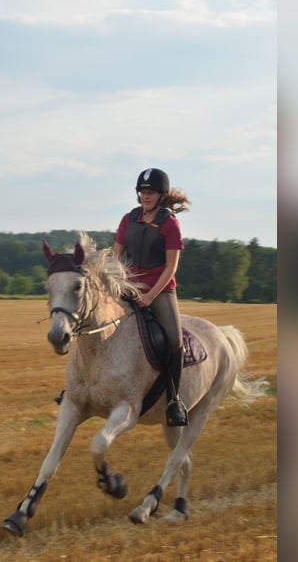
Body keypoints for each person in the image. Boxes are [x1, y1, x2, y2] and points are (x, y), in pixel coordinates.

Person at [113, 167, 191, 427]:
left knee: (174, 340)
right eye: (143, 192)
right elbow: (116, 257)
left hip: (159, 289)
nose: (145, 196)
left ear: (161, 195)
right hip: (128, 285)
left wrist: (149, 296)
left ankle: (174, 400)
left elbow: (171, 268)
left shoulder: (170, 224)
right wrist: (118, 282)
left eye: (151, 192)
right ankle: (81, 385)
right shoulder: (129, 219)